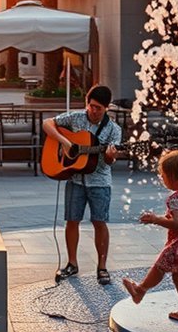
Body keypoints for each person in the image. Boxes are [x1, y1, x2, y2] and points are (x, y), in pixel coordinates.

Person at [42, 85, 122, 285]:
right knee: (72, 220)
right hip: (75, 179)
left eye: (99, 108)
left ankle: (102, 267)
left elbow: (110, 161)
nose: (94, 111)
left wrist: (111, 156)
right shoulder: (76, 118)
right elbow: (47, 123)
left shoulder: (114, 130)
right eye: (92, 106)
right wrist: (65, 142)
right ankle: (72, 263)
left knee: (99, 222)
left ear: (106, 108)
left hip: (100, 181)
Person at [122, 151, 178, 325]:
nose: (162, 179)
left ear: (174, 177)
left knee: (160, 266)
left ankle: (140, 290)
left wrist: (156, 219)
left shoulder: (176, 197)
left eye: (163, 176)